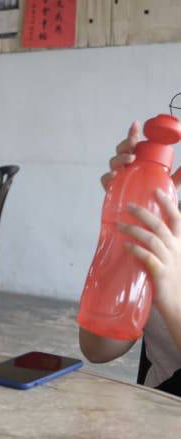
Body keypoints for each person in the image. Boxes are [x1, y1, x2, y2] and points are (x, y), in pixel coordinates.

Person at [80, 121, 181, 396]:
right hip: (155, 409)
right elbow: (97, 349)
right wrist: (125, 240)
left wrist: (173, 300)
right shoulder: (171, 224)